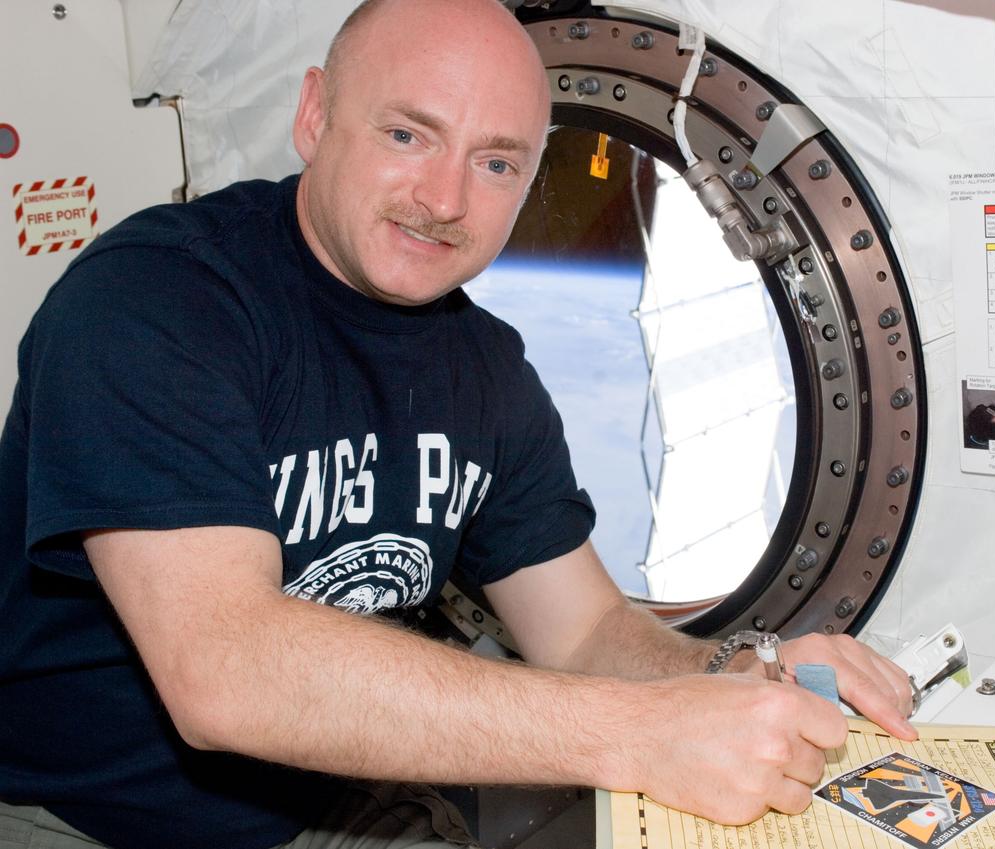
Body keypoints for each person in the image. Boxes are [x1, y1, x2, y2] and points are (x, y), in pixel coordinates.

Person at [0, 1, 917, 846]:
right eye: (408, 134)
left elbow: (586, 631)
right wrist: (639, 733)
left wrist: (736, 675)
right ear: (315, 116)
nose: (444, 200)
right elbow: (227, 673)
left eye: (496, 163)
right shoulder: (156, 300)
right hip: (85, 814)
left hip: (333, 797)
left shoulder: (487, 371)